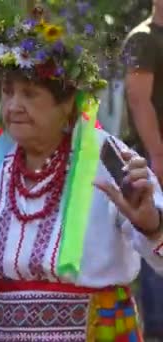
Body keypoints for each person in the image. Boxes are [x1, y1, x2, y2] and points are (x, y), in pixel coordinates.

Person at [0, 13, 163, 340]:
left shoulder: (109, 160)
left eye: (30, 94)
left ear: (67, 105)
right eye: (7, 92)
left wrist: (151, 225)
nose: (14, 105)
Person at [123, 1, 163, 338]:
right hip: (152, 157)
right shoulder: (143, 39)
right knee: (156, 235)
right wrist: (157, 155)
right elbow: (138, 99)